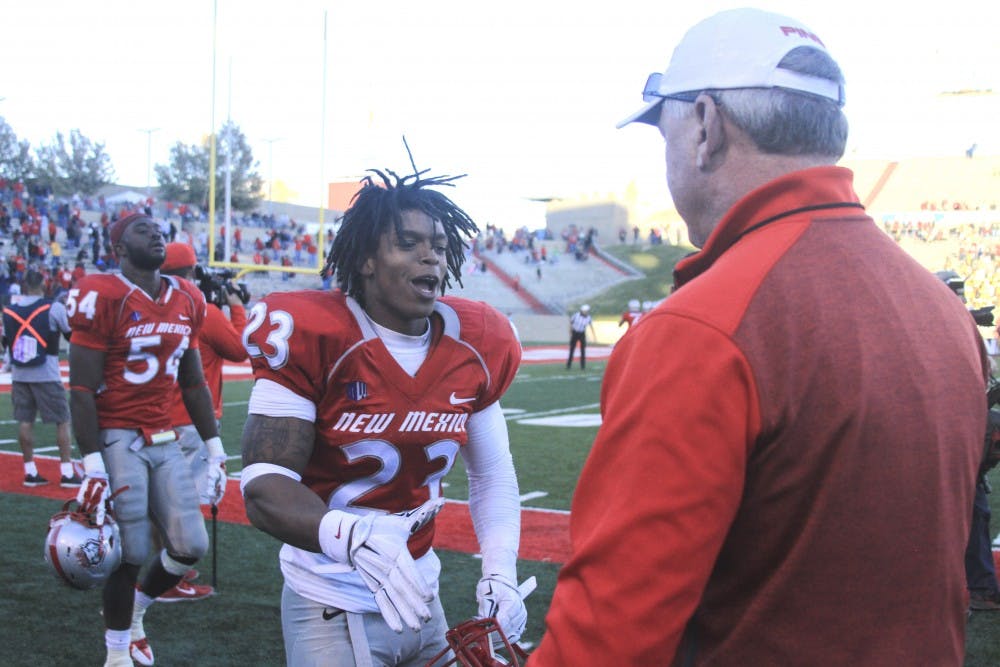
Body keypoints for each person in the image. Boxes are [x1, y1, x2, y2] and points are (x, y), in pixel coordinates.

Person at [529, 8, 989, 666]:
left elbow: (607, 640)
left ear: (707, 127)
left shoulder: (703, 327)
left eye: (665, 131)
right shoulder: (941, 308)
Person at [240, 168, 528, 666]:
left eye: (438, 244)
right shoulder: (315, 334)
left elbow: (493, 473)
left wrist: (500, 572)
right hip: (329, 599)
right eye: (409, 242)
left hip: (421, 595)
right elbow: (265, 486)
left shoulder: (477, 341)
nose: (430, 255)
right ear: (367, 259)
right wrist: (348, 536)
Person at [68, 212, 227, 667]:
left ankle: (137, 611)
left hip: (164, 434)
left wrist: (215, 452)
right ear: (118, 247)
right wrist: (92, 463)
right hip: (118, 432)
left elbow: (193, 383)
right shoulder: (103, 295)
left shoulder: (187, 298)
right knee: (132, 550)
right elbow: (80, 390)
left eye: (158, 229)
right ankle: (116, 654)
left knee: (190, 545)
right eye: (142, 230)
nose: (156, 233)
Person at [152, 241, 249, 601]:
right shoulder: (200, 310)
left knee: (160, 501)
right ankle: (169, 579)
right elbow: (240, 348)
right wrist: (236, 307)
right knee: (183, 503)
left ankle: (158, 569)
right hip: (192, 421)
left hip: (157, 417)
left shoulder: (153, 307)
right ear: (191, 273)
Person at [2, 269, 80, 487]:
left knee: (25, 421)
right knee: (63, 421)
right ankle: (66, 471)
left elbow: (6, 342)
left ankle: (30, 471)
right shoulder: (53, 307)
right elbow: (71, 334)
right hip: (47, 372)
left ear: (24, 285)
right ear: (44, 285)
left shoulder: (9, 311)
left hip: (19, 374)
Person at [566, 304, 595, 370]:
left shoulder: (588, 317)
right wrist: (570, 332)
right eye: (585, 311)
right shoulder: (576, 315)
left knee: (583, 350)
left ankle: (582, 366)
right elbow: (571, 323)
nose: (586, 312)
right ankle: (568, 365)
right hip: (575, 333)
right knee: (572, 349)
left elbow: (591, 326)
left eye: (587, 311)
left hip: (582, 333)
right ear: (582, 311)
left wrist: (593, 335)